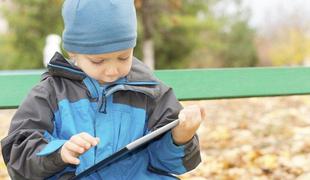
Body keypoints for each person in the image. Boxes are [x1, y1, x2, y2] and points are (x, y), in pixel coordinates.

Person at [1, 0, 204, 179]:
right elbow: (18, 156)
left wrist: (181, 137)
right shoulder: (50, 93)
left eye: (123, 57)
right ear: (73, 53)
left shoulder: (150, 91)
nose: (112, 70)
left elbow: (174, 165)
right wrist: (59, 152)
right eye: (98, 61)